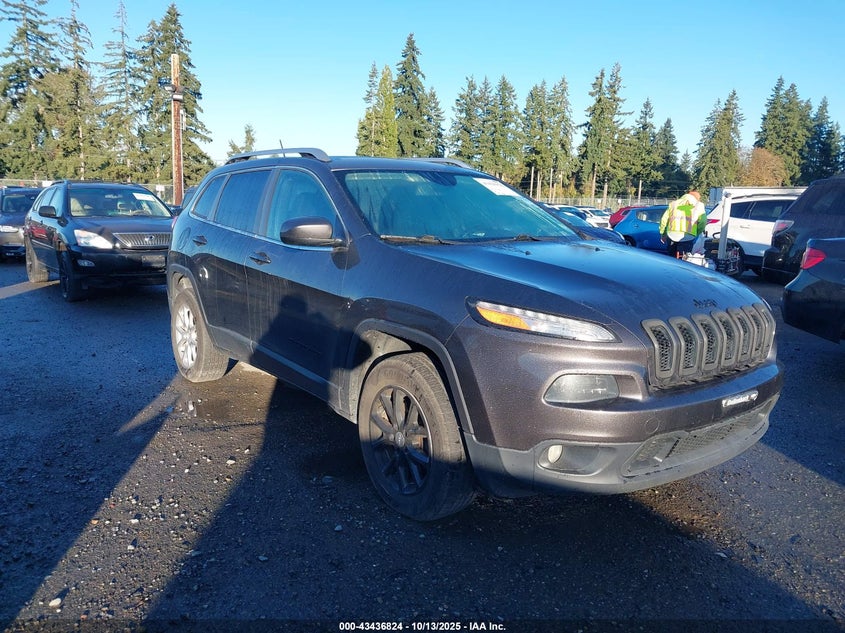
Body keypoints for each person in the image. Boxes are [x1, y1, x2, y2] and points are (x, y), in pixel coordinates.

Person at [659, 190, 707, 258]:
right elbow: (703, 222)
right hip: (688, 236)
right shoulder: (699, 205)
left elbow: (664, 219)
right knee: (685, 259)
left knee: (671, 258)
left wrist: (663, 234)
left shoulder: (674, 204)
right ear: (697, 198)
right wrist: (697, 232)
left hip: (672, 235)